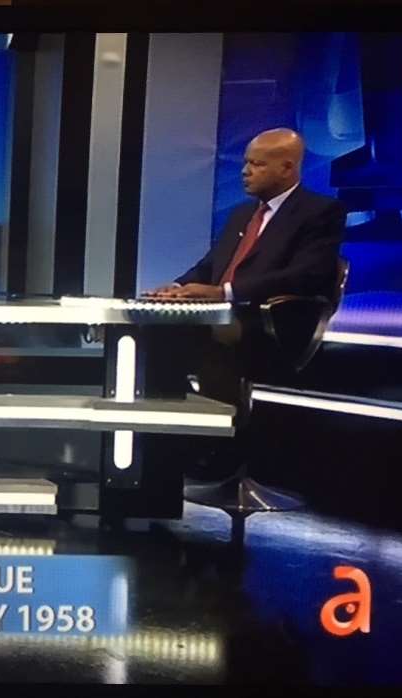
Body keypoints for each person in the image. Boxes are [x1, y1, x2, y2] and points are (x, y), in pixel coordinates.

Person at [145, 128, 346, 474]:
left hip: (274, 322)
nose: (245, 171)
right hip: (225, 316)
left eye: (257, 164)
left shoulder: (320, 212)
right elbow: (210, 265)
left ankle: (221, 452)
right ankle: (171, 446)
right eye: (245, 163)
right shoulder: (242, 214)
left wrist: (225, 292)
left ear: (287, 167)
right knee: (154, 331)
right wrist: (177, 287)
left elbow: (307, 275)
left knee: (213, 337)